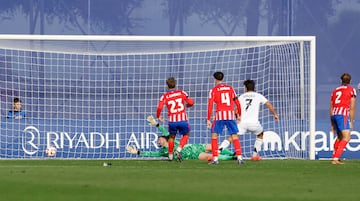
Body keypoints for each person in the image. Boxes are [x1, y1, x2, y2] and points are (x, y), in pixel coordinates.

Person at [126, 115, 236, 161]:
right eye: (158, 141)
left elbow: (165, 131)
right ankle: (232, 158)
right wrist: (137, 152)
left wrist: (156, 124)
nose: (158, 140)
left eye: (159, 138)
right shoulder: (164, 152)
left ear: (164, 138)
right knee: (210, 156)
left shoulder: (171, 140)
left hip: (195, 146)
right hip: (193, 155)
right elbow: (152, 154)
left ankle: (232, 153)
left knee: (213, 146)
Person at [218, 79, 279, 161]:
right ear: (253, 88)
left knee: (232, 137)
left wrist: (237, 117)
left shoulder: (241, 96)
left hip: (242, 123)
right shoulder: (258, 95)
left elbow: (236, 110)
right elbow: (268, 104)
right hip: (254, 124)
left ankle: (218, 151)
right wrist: (275, 114)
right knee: (260, 134)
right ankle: (254, 155)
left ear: (245, 88)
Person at [207, 71, 244, 165]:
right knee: (234, 136)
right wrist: (239, 115)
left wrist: (208, 118)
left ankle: (215, 159)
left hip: (219, 115)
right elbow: (237, 102)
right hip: (231, 115)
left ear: (214, 79)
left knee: (214, 136)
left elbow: (210, 105)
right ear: (222, 79)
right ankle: (240, 158)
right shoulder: (230, 88)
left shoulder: (213, 90)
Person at [156, 77, 194, 162]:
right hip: (183, 120)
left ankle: (170, 156)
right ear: (175, 84)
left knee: (171, 138)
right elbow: (191, 102)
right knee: (186, 135)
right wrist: (187, 106)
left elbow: (159, 107)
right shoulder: (181, 93)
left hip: (172, 121)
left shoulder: (164, 96)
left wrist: (158, 116)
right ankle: (178, 150)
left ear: (167, 85)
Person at [330, 73, 356, 165]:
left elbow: (331, 106)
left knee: (340, 137)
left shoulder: (335, 90)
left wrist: (332, 123)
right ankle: (335, 159)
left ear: (341, 81)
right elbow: (352, 107)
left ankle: (334, 156)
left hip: (335, 114)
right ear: (350, 81)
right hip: (343, 114)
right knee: (347, 137)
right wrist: (352, 121)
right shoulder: (351, 90)